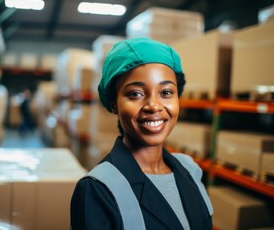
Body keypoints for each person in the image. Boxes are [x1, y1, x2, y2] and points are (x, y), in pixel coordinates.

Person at [70, 38, 213, 230]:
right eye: (135, 94)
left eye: (166, 92)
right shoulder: (97, 189)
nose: (154, 106)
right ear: (113, 103)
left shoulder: (190, 171)